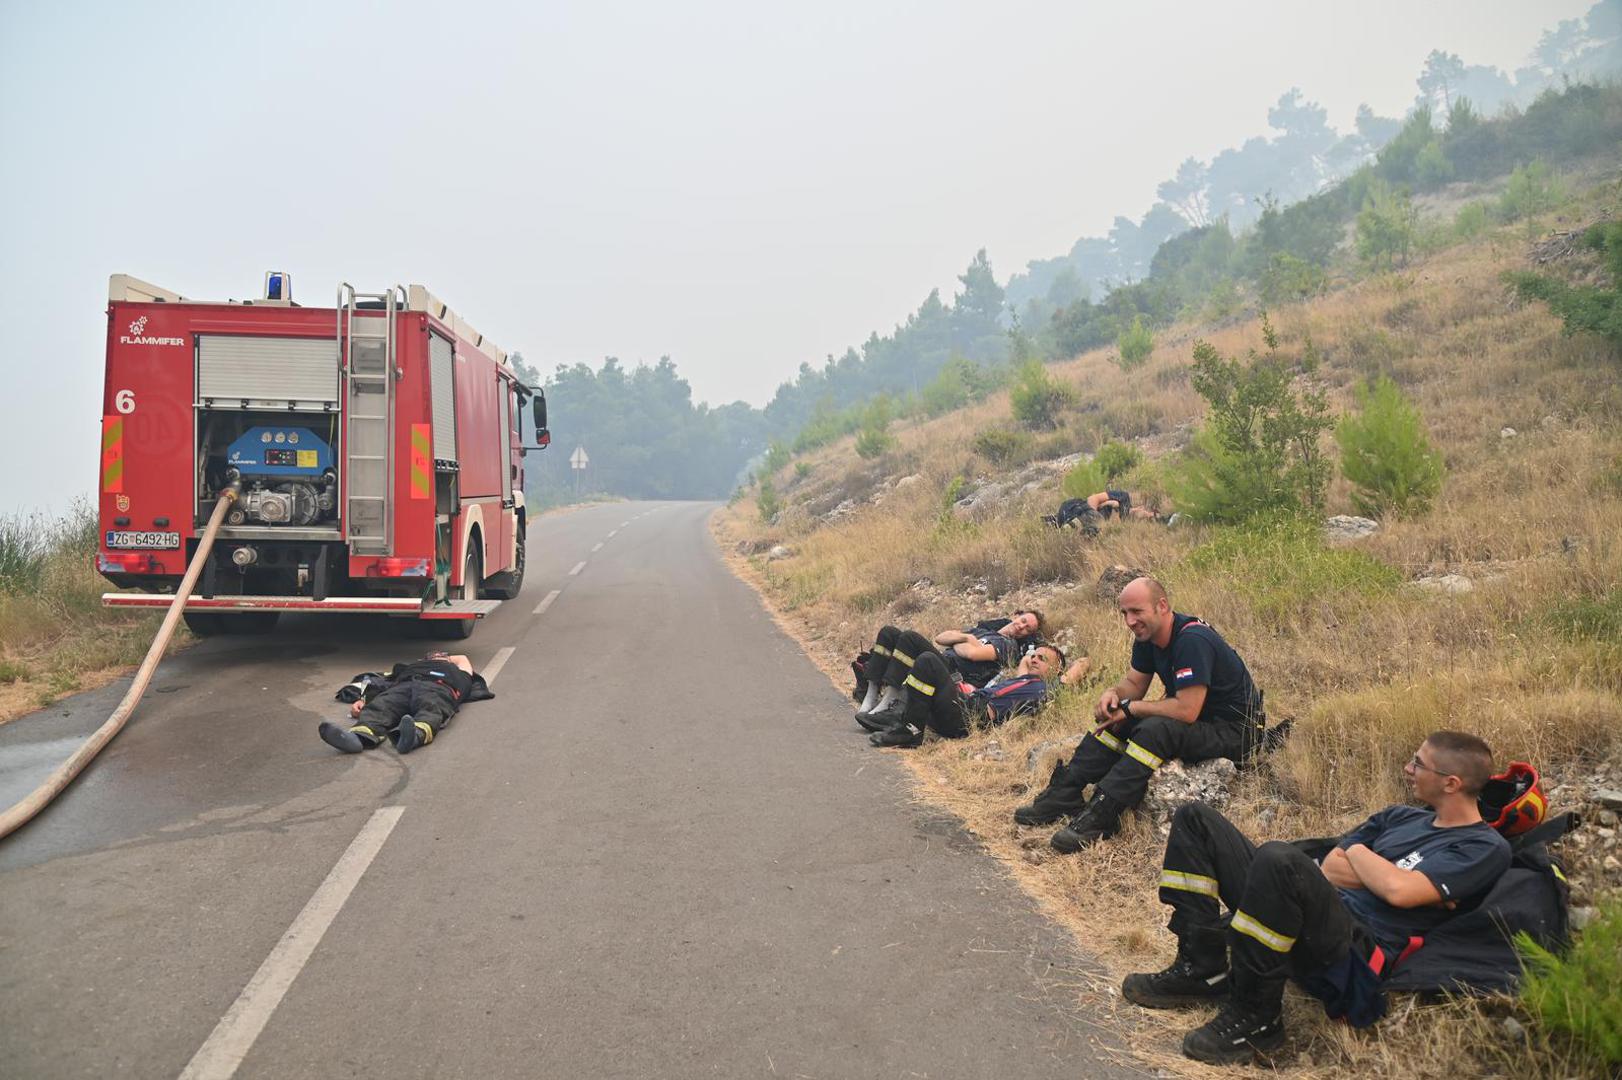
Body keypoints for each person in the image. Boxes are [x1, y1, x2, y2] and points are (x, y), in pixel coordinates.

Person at [1124, 731, 1512, 1065]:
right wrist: (1381, 872)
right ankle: (1203, 968)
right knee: (1196, 818)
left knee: (1279, 859)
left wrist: (1364, 859)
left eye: (1419, 764)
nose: (1408, 769)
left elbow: (1398, 892)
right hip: (1318, 910)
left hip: (1354, 948)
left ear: (1451, 783)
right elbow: (1332, 868)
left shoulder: (1482, 846)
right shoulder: (1399, 817)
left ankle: (1257, 1016)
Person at [1015, 576, 1264, 852]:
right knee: (1114, 719)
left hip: (1236, 731)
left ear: (1162, 606)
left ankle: (1103, 812)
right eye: (1125, 613)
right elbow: (1134, 685)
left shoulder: (1192, 640)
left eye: (1137, 611)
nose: (1130, 621)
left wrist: (1131, 708)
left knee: (1154, 729)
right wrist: (1113, 696)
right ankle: (1065, 791)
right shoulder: (1148, 637)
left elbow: (1186, 709)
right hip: (1202, 721)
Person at [867, 642, 1080, 748]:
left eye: (1042, 659)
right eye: (1034, 656)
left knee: (927, 661)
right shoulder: (1025, 678)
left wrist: (1082, 663)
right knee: (919, 651)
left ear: (1057, 671)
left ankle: (910, 731)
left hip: (969, 717)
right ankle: (901, 718)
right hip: (964, 703)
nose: (1034, 659)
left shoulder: (1046, 688)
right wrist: (1032, 655)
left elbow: (1077, 670)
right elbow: (1025, 662)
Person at [854, 611, 1044, 727]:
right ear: (1016, 616)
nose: (1022, 627)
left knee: (910, 638)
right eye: (1024, 620)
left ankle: (889, 700)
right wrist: (967, 639)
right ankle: (871, 694)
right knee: (889, 632)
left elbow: (971, 654)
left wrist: (964, 640)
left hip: (950, 674)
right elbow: (941, 637)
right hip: (940, 660)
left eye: (1027, 629)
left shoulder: (1007, 645)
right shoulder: (984, 631)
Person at [317, 650, 493, 755]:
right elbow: (381, 686)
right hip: (403, 687)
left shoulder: (458, 673)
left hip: (437, 688)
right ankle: (358, 737)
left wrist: (446, 658)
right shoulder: (410, 668)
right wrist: (362, 702)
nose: (436, 655)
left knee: (430, 709)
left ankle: (413, 735)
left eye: (441, 655)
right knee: (381, 706)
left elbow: (463, 658)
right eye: (432, 655)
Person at [1045, 489, 1133, 533]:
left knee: (1096, 527)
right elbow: (1093, 498)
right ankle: (1067, 526)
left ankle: (1059, 524)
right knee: (1097, 523)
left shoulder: (1116, 512)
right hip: (1076, 509)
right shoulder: (1122, 497)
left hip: (1069, 512)